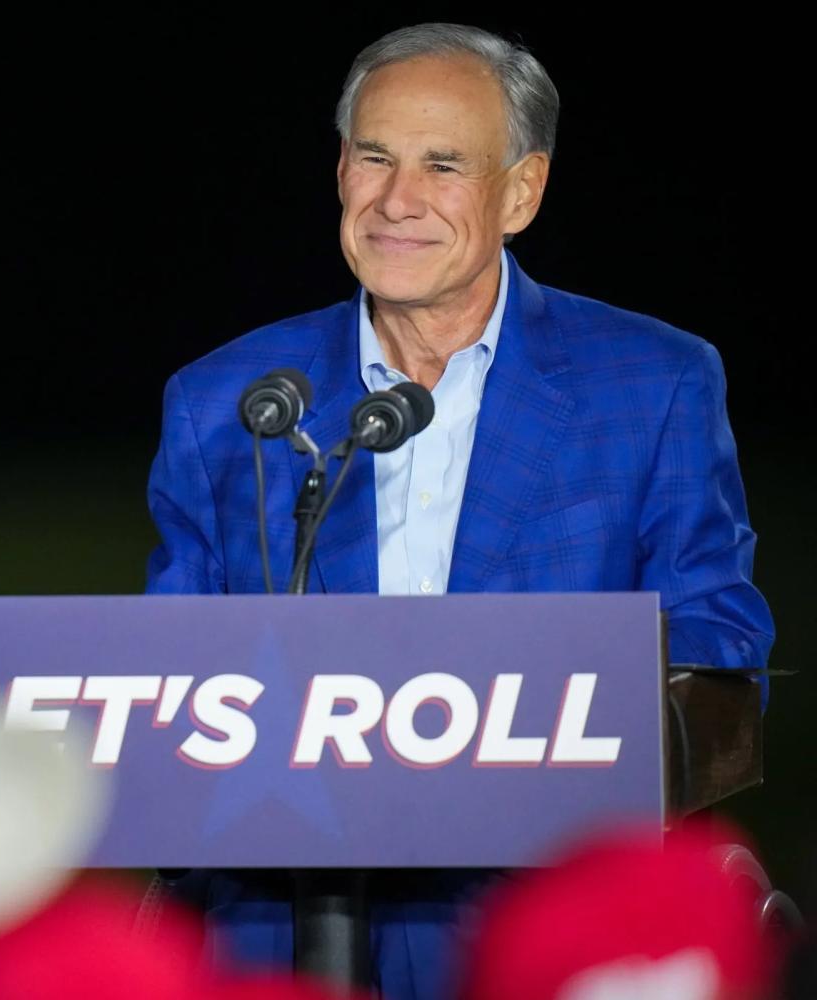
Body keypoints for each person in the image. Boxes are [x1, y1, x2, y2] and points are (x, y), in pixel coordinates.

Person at [143, 22, 775, 1000]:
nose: (398, 200)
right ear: (339, 170)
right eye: (374, 157)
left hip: (544, 917)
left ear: (519, 191)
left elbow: (717, 652)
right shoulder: (224, 401)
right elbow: (170, 683)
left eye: (443, 165)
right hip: (278, 928)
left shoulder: (652, 382)